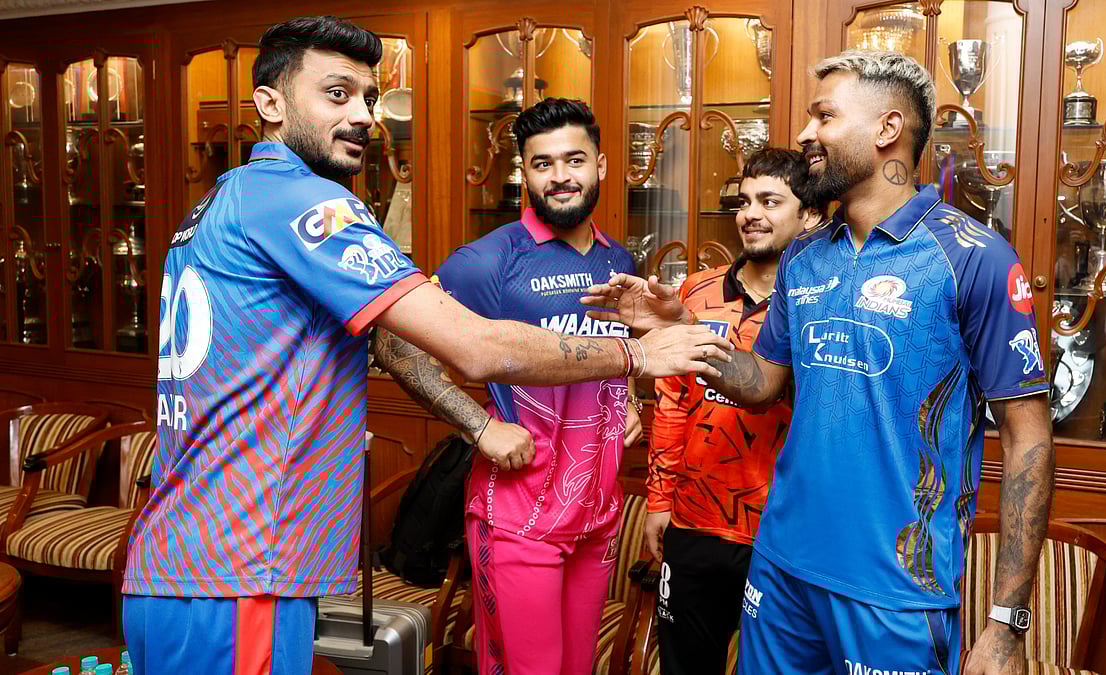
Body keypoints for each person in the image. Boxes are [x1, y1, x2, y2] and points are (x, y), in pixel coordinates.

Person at [123, 17, 732, 675]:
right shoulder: (304, 204)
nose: (361, 116)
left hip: (194, 560)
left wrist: (486, 418)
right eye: (335, 94)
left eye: (367, 97)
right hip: (238, 568)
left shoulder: (229, 197)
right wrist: (640, 356)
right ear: (269, 104)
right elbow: (472, 347)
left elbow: (391, 340)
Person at [584, 50, 1054, 675]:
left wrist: (1006, 624)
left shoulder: (972, 257)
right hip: (781, 569)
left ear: (887, 129)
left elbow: (1029, 442)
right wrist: (685, 331)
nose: (806, 134)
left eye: (825, 117)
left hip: (894, 590)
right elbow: (761, 383)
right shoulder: (805, 259)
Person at [399, 96, 640, 675]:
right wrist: (480, 426)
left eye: (574, 160)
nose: (560, 177)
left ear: (602, 166)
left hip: (596, 513)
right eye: (542, 163)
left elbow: (613, 354)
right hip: (518, 515)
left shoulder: (619, 260)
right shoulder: (486, 263)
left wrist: (627, 400)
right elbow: (399, 347)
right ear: (524, 173)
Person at [645, 147, 820, 674]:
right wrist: (659, 500)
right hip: (696, 522)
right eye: (744, 201)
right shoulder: (695, 292)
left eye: (770, 200)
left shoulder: (822, 298)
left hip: (783, 530)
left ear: (808, 215)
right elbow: (673, 400)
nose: (750, 214)